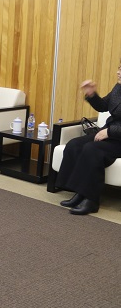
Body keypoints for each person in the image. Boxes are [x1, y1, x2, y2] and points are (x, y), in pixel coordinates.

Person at [55, 69, 121, 215]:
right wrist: (92, 94)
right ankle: (79, 192)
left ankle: (92, 200)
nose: (118, 72)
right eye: (119, 68)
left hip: (117, 137)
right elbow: (103, 106)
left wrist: (110, 132)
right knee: (74, 145)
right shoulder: (118, 87)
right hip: (109, 133)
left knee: (92, 149)